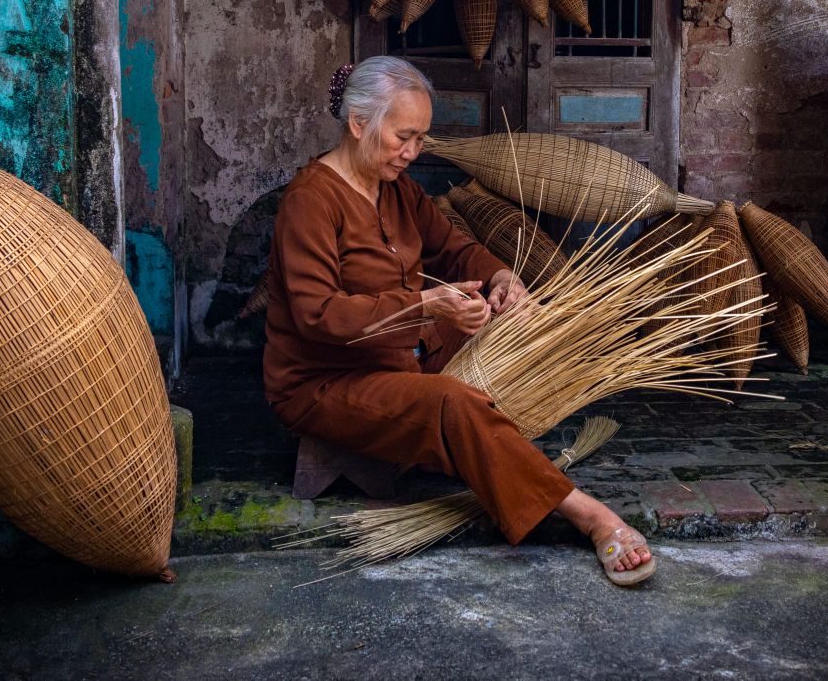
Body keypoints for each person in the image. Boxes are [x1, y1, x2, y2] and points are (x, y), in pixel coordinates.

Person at [263, 56, 655, 585]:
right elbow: (318, 315)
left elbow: (452, 247)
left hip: (400, 353)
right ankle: (588, 515)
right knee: (452, 401)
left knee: (505, 323)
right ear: (359, 124)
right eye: (403, 137)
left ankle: (490, 453)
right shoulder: (310, 200)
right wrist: (426, 307)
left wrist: (499, 280)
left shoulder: (398, 189)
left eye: (421, 139)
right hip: (326, 381)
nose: (412, 152)